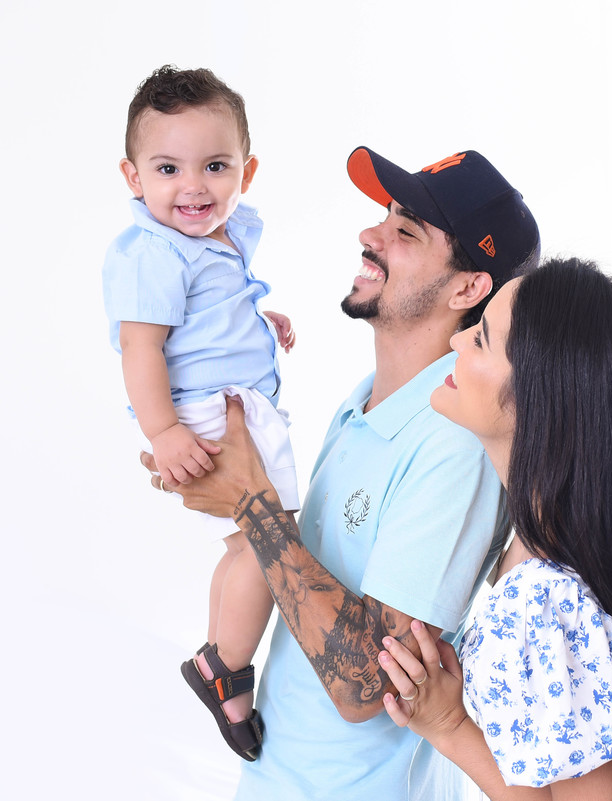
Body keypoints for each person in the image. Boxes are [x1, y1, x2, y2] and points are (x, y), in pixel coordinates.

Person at [144, 147, 541, 799]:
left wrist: (253, 503)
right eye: (383, 216)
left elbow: (367, 686)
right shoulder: (366, 402)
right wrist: (208, 470)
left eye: (405, 231)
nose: (370, 234)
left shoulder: (455, 444)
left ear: (469, 288)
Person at [376, 258, 612, 801]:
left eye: (481, 339)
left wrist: (449, 726)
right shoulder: (531, 548)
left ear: (538, 402)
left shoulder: (545, 597)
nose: (457, 340)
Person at [101, 65, 299, 761]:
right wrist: (163, 431)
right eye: (168, 168)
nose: (194, 186)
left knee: (247, 546)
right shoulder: (153, 252)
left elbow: (208, 317)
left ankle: (218, 658)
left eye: (215, 166)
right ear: (134, 177)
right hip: (203, 416)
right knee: (272, 548)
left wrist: (258, 320)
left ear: (247, 170)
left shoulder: (215, 235)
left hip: (230, 404)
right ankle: (226, 669)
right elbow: (141, 347)